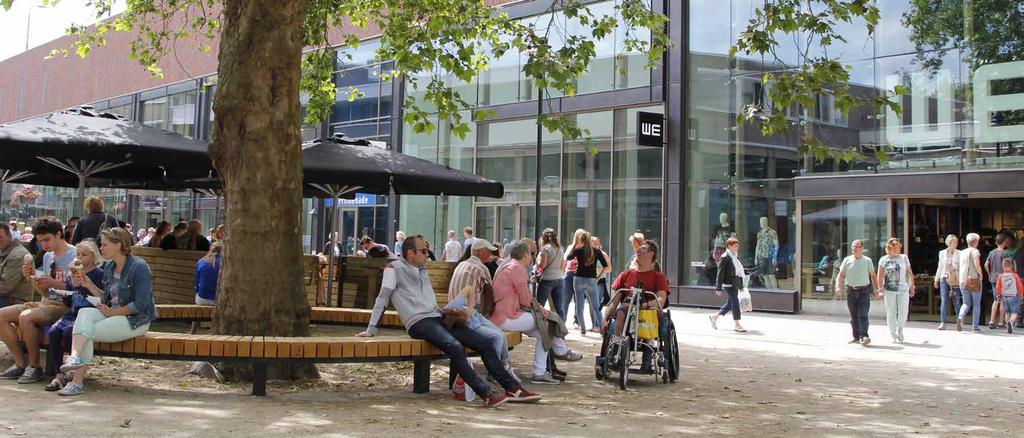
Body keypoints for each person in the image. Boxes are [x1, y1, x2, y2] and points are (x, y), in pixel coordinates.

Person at [356, 236, 540, 406]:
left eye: (427, 250)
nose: (427, 254)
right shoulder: (393, 269)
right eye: (423, 251)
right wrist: (372, 329)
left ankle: (513, 388)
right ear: (410, 253)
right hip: (418, 322)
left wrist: (445, 311)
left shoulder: (422, 270)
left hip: (437, 316)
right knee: (454, 346)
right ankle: (485, 392)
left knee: (485, 343)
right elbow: (382, 299)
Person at [58, 227, 157, 396]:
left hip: (136, 319)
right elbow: (106, 298)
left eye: (104, 245)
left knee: (88, 332)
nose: (101, 248)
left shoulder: (139, 267)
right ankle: (74, 357)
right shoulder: (110, 266)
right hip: (113, 314)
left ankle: (77, 382)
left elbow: (140, 305)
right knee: (84, 314)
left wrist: (112, 313)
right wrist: (88, 284)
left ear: (118, 245)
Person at [490, 242, 581, 385]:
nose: (532, 257)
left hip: (501, 316)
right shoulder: (517, 268)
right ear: (525, 254)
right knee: (547, 322)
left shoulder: (508, 266)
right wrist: (540, 310)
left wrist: (539, 308)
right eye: (531, 254)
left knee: (542, 333)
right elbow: (525, 299)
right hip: (507, 317)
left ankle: (540, 372)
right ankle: (560, 351)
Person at [0, 217, 77, 383]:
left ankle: (34, 367)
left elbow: (79, 289)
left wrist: (53, 282)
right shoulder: (48, 256)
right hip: (47, 302)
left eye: (47, 240)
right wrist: (33, 279)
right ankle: (20, 363)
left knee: (26, 317)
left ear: (59, 234)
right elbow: (46, 292)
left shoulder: (75, 254)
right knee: (1, 315)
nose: (44, 245)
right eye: (41, 241)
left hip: (66, 305)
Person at [446, 238, 516, 381]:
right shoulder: (481, 268)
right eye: (488, 251)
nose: (491, 253)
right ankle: (496, 372)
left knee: (500, 336)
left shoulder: (462, 264)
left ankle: (504, 368)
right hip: (467, 314)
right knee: (497, 337)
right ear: (479, 252)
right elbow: (491, 295)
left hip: (457, 311)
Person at [44, 240, 104, 391]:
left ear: (93, 256)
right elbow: (70, 299)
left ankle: (72, 372)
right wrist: (64, 292)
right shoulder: (72, 275)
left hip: (88, 315)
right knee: (53, 332)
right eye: (78, 254)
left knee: (68, 332)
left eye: (84, 255)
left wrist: (84, 285)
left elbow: (101, 298)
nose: (80, 258)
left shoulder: (99, 274)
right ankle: (58, 375)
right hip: (72, 313)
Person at [603, 239, 670, 371]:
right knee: (621, 312)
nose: (638, 250)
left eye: (643, 248)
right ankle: (616, 348)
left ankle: (648, 352)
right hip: (627, 309)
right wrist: (605, 319)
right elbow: (614, 301)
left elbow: (661, 299)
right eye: (638, 248)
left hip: (647, 311)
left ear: (651, 254)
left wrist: (643, 305)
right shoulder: (625, 275)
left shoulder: (658, 277)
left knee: (653, 312)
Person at [835, 239, 878, 346]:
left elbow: (873, 276)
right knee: (853, 315)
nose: (854, 248)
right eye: (853, 246)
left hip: (864, 291)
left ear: (862, 248)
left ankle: (864, 336)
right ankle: (856, 337)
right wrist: (838, 287)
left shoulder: (867, 260)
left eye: (857, 246)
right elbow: (840, 275)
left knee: (863, 314)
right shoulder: (847, 260)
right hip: (850, 291)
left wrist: (877, 290)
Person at [566, 230, 609, 336]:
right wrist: (598, 276)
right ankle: (601, 328)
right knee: (596, 306)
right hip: (591, 280)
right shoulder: (597, 251)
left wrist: (575, 245)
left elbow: (568, 257)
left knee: (579, 306)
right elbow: (605, 265)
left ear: (581, 240)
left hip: (579, 278)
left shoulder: (579, 250)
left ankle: (583, 329)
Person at [877, 238, 915, 343]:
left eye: (897, 246)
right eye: (893, 247)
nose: (895, 249)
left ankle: (900, 329)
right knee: (891, 312)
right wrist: (880, 289)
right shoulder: (884, 259)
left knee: (903, 311)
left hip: (903, 289)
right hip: (889, 290)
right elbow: (880, 276)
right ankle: (892, 332)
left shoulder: (904, 258)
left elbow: (910, 273)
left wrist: (912, 287)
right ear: (888, 248)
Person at [710, 237, 747, 332]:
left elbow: (738, 271)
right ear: (729, 246)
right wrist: (718, 288)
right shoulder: (725, 257)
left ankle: (714, 317)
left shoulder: (734, 256)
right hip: (728, 284)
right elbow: (720, 274)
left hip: (734, 283)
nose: (736, 248)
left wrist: (741, 285)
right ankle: (737, 324)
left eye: (737, 246)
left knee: (730, 303)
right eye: (735, 246)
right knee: (735, 303)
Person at [535, 228, 566, 320]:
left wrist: (537, 263)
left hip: (547, 279)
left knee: (539, 305)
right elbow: (562, 265)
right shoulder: (560, 248)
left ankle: (540, 326)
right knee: (559, 308)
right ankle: (561, 329)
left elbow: (543, 265)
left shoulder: (545, 249)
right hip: (559, 279)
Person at [0, 222, 33, 307]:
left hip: (15, 301)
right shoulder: (5, 251)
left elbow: (5, 287)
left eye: (0, 237)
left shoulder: (16, 256)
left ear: (10, 236)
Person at [958, 233, 985, 332]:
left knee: (966, 303)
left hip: (963, 280)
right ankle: (975, 326)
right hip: (973, 279)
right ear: (976, 242)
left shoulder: (962, 252)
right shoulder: (975, 251)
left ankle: (960, 317)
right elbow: (977, 265)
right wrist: (981, 274)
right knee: (976, 304)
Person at [934, 235, 961, 330]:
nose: (956, 244)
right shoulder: (942, 253)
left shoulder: (960, 253)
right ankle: (943, 322)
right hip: (944, 278)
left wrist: (951, 264)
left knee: (956, 300)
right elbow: (940, 266)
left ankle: (959, 321)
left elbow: (961, 266)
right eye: (954, 242)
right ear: (949, 243)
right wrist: (936, 279)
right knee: (944, 299)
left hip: (955, 279)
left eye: (957, 242)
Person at [984, 233, 1011, 329]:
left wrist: (989, 274)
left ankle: (991, 321)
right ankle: (1000, 322)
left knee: (996, 300)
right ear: (1004, 242)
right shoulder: (1006, 253)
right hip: (1003, 278)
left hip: (994, 278)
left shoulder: (992, 253)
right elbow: (1008, 266)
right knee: (1003, 301)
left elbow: (986, 264)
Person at [562, 229, 586, 327]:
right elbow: (565, 260)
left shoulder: (586, 248)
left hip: (580, 275)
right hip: (569, 274)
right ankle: (562, 320)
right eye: (578, 236)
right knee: (566, 298)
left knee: (579, 299)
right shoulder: (571, 247)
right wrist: (562, 273)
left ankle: (577, 321)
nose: (579, 238)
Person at [994, 258, 1022, 334]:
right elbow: (1019, 285)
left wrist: (998, 295)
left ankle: (1007, 327)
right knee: (1014, 312)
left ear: (1003, 267)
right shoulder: (1015, 276)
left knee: (1007, 312)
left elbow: (998, 286)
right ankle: (1011, 321)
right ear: (1012, 266)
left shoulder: (1000, 276)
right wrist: (1022, 293)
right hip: (1013, 296)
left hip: (1004, 296)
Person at [592, 236, 612, 306]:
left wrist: (599, 271)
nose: (595, 245)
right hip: (591, 281)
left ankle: (597, 316)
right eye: (593, 243)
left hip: (600, 281)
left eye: (596, 243)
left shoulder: (603, 255)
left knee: (597, 301)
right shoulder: (589, 255)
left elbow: (609, 269)